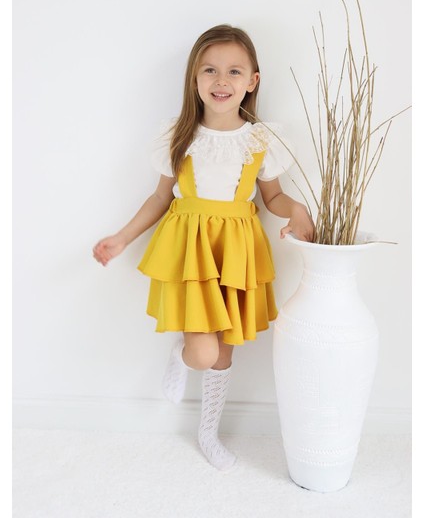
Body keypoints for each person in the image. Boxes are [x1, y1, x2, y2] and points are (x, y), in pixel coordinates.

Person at [93, 24, 315, 472]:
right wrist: (122, 237)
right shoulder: (180, 136)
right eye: (210, 70)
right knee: (202, 353)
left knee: (224, 352)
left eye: (234, 71)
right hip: (191, 251)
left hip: (236, 252)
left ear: (252, 80)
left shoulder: (261, 140)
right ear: (194, 78)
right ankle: (181, 355)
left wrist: (299, 210)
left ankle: (208, 432)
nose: (221, 80)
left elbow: (272, 197)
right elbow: (160, 197)